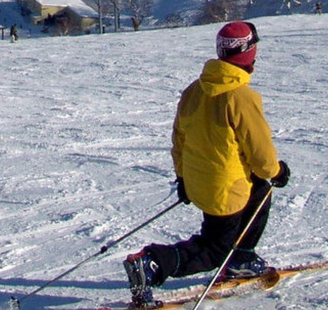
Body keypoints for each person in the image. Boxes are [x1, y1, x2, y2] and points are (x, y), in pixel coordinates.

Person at [123, 21, 290, 308]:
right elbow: (262, 155)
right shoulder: (240, 97)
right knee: (214, 250)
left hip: (198, 181)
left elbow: (180, 140)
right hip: (224, 191)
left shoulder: (194, 91)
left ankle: (243, 257)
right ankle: (153, 263)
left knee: (260, 190)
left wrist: (183, 179)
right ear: (248, 54)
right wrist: (278, 172)